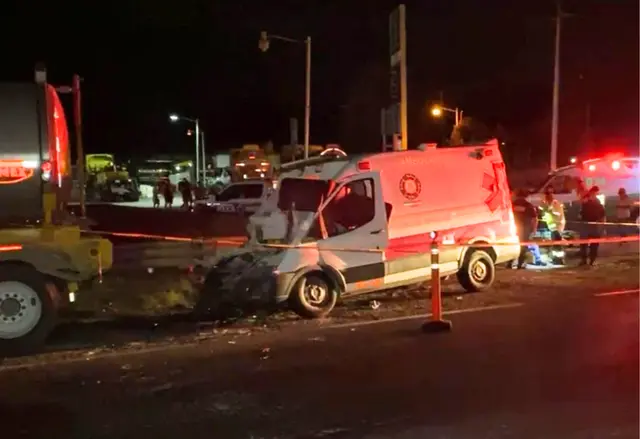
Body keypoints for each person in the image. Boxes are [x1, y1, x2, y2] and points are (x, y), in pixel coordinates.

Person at [512, 189, 538, 269]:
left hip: (515, 228)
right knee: (523, 246)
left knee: (514, 245)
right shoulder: (528, 205)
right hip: (525, 229)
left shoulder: (512, 205)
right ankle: (520, 263)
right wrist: (534, 229)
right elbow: (534, 219)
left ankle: (511, 262)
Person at [579, 186, 606, 266]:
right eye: (593, 193)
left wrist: (602, 227)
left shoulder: (598, 204)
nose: (593, 194)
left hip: (594, 226)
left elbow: (603, 216)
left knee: (593, 245)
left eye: (595, 193)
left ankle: (591, 260)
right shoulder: (585, 203)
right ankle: (586, 260)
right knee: (584, 244)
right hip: (587, 226)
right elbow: (580, 214)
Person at [540, 187, 566, 264]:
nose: (547, 196)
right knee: (555, 244)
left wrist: (548, 211)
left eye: (548, 194)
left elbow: (557, 213)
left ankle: (559, 259)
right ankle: (556, 258)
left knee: (557, 244)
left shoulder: (555, 203)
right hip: (552, 227)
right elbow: (543, 212)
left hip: (557, 227)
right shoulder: (547, 203)